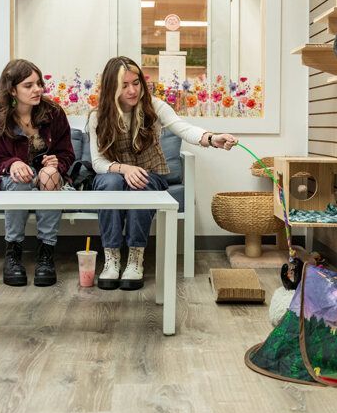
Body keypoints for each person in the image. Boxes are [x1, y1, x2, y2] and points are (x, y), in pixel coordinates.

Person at [90, 56, 237, 290]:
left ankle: (135, 259)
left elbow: (183, 128)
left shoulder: (154, 106)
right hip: (114, 174)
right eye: (124, 85)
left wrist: (211, 138)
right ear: (112, 88)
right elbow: (98, 162)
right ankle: (112, 259)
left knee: (141, 183)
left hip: (149, 174)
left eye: (136, 83)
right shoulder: (98, 116)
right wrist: (124, 169)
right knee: (110, 183)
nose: (132, 90)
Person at [0, 59, 75, 287]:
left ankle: (46, 253)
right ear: (12, 89)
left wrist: (57, 162)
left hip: (47, 177)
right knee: (19, 180)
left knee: (49, 175)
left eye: (39, 83)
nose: (38, 90)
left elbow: (68, 154)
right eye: (28, 85)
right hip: (14, 179)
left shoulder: (53, 113)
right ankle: (13, 253)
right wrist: (12, 164)